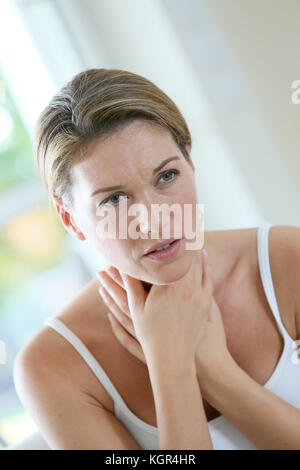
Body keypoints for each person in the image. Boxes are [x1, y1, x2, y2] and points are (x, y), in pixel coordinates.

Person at [13, 68, 300, 450]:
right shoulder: (53, 366)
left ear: (190, 163)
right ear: (71, 219)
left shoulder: (286, 261)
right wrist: (172, 367)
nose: (154, 220)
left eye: (166, 176)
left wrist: (215, 372)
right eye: (114, 200)